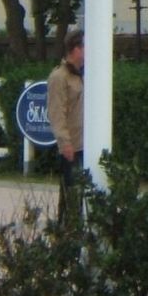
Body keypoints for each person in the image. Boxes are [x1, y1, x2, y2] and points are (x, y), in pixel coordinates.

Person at [49, 29, 86, 205]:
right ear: (76, 49)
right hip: (74, 145)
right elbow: (57, 113)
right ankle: (67, 230)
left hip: (88, 144)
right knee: (71, 195)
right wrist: (65, 144)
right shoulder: (60, 76)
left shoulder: (86, 74)